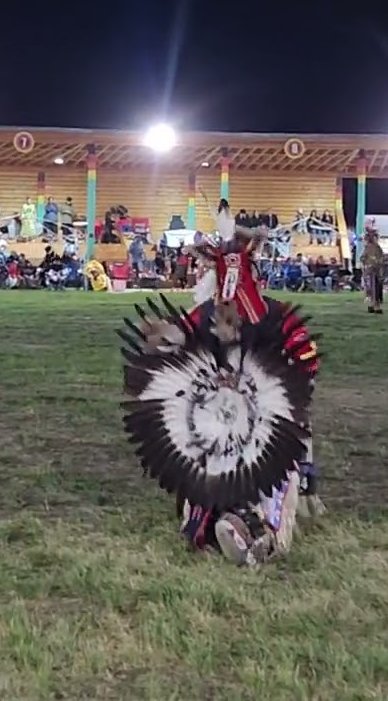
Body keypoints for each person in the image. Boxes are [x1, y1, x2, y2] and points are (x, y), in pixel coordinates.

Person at [118, 199, 326, 567]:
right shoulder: (251, 315)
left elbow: (305, 370)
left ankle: (249, 528)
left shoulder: (233, 316)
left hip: (256, 426)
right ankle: (240, 525)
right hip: (223, 425)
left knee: (265, 465)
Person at [360, 226, 386, 314]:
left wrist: (379, 261)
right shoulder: (369, 247)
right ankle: (373, 306)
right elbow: (363, 258)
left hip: (376, 271)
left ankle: (373, 305)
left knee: (376, 289)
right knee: (372, 289)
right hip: (371, 271)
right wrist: (368, 264)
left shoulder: (377, 247)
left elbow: (382, 258)